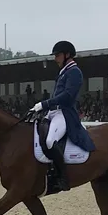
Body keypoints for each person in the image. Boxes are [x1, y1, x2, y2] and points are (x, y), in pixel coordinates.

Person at [31, 40, 96, 191]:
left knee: (49, 141)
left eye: (58, 55)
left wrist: (44, 104)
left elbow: (67, 96)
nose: (55, 58)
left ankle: (63, 178)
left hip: (65, 113)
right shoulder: (64, 71)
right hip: (54, 112)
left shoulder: (74, 72)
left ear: (67, 55)